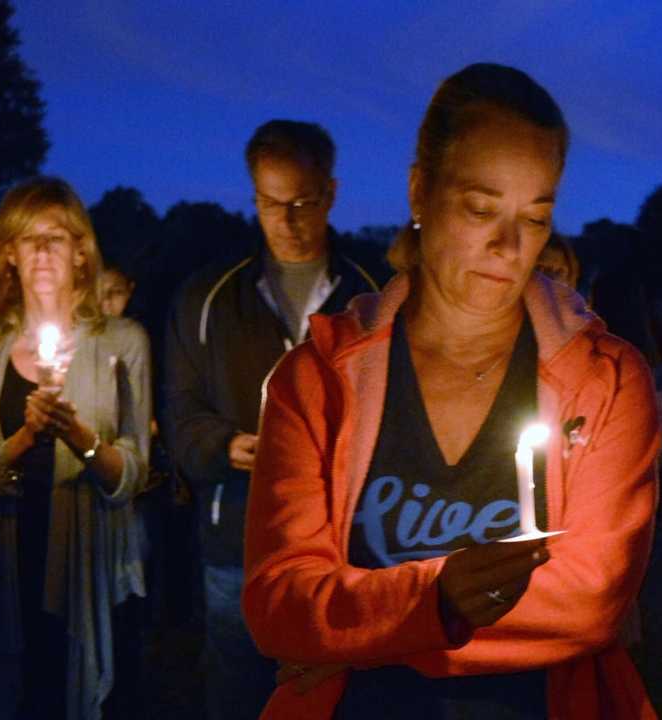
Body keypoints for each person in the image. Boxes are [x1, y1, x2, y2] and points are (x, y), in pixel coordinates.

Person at [242, 64, 661, 719]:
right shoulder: (318, 381)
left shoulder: (605, 381)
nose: (508, 246)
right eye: (480, 208)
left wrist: (368, 631)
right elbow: (281, 602)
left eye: (535, 216)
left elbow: (591, 602)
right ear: (420, 192)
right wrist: (437, 599)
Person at [164, 119, 379, 719]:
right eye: (268, 202)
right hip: (238, 540)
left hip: (343, 544)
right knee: (238, 692)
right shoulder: (209, 298)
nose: (285, 220)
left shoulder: (370, 297)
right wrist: (228, 446)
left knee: (335, 697)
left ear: (331, 193)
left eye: (302, 203)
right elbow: (180, 413)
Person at [0, 177, 151, 720]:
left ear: (82, 250)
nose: (41, 252)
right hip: (5, 556)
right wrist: (24, 440)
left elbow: (132, 474)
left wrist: (79, 439)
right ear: (8, 253)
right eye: (27, 239)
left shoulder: (122, 343)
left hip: (89, 560)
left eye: (55, 237)